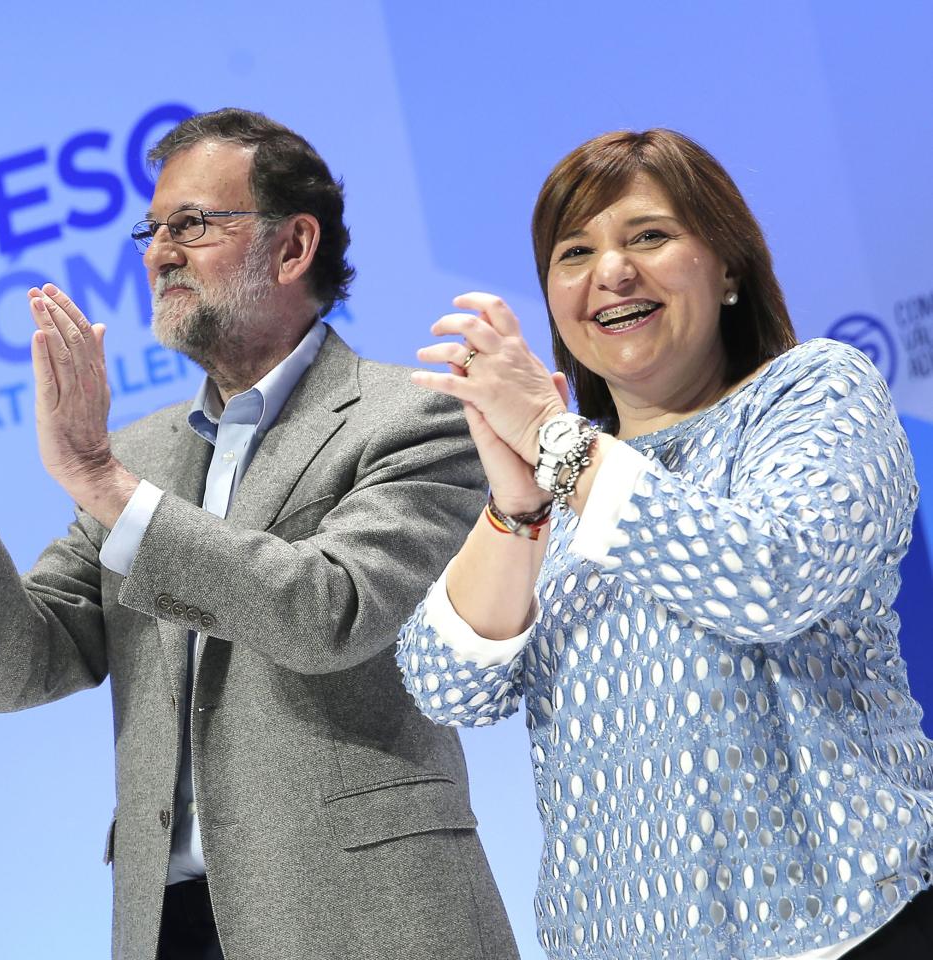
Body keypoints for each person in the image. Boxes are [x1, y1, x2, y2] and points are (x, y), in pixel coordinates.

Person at [0, 108, 517, 960]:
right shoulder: (142, 451)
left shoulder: (418, 416)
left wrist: (104, 484)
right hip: (167, 924)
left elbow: (329, 611)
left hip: (363, 915)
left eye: (191, 224)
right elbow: (20, 667)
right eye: (151, 229)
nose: (158, 252)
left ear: (295, 246)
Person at [397, 127, 933, 959]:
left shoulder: (813, 391)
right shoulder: (566, 480)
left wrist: (551, 435)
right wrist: (518, 506)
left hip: (851, 927)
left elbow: (769, 577)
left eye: (648, 235)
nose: (612, 271)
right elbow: (446, 686)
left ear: (727, 268)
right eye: (574, 252)